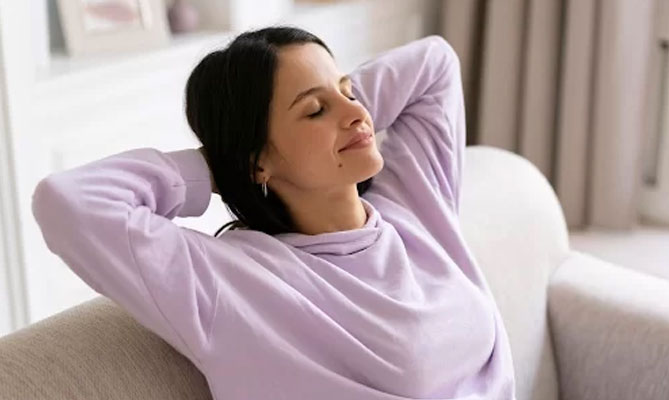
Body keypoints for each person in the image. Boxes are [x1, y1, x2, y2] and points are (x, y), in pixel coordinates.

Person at [32, 26, 517, 399]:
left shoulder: (413, 204)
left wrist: (334, 107)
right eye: (314, 111)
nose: (356, 114)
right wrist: (221, 164)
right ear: (258, 159)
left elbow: (435, 63)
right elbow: (68, 201)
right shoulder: (234, 284)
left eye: (349, 93)